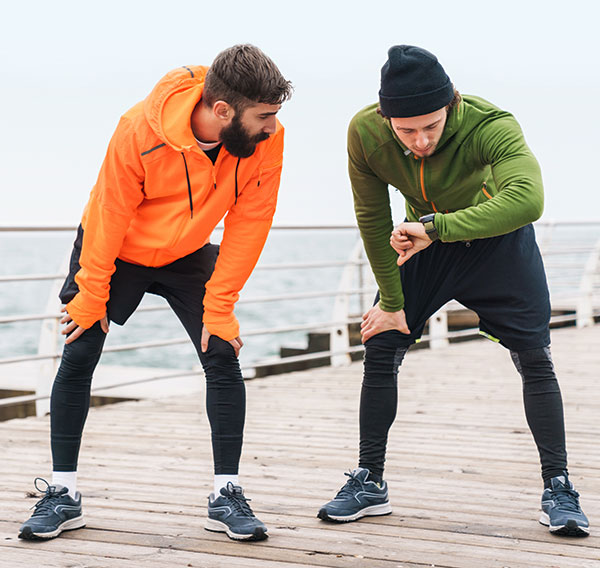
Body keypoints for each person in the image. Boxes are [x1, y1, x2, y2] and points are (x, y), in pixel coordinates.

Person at [19, 44, 292, 543]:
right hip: (116, 248)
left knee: (221, 351)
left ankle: (226, 493)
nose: (273, 127)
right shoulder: (138, 130)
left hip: (187, 251)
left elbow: (251, 223)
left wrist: (222, 307)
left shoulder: (264, 142)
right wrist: (91, 291)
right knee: (78, 353)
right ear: (223, 110)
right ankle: (62, 493)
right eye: (265, 116)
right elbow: (108, 212)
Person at [317, 45, 589, 537]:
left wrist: (437, 227)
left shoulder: (491, 125)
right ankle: (369, 480)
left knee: (534, 356)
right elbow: (373, 217)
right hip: (426, 241)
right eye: (406, 131)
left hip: (494, 242)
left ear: (453, 104)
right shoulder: (364, 133)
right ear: (385, 118)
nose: (420, 141)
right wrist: (394, 304)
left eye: (432, 126)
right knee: (381, 340)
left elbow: (528, 199)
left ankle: (559, 486)